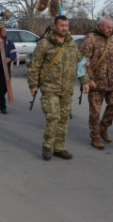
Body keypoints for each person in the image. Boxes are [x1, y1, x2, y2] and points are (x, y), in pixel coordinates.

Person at [27, 15, 90, 160]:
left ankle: (60, 148)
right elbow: (35, 66)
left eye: (66, 26)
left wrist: (84, 82)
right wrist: (33, 85)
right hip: (50, 88)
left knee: (64, 119)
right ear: (54, 26)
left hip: (67, 89)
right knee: (53, 117)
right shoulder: (44, 44)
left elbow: (79, 65)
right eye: (61, 25)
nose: (64, 28)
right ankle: (47, 145)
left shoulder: (72, 45)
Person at [79, 16, 113, 150]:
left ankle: (103, 128)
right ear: (99, 26)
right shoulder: (90, 39)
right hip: (96, 83)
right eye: (107, 27)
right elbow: (83, 61)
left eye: (111, 28)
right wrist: (89, 79)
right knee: (95, 112)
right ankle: (95, 136)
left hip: (111, 82)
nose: (110, 30)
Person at [0, 23, 16, 114]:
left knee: (6, 86)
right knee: (0, 85)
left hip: (6, 66)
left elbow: (14, 52)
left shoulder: (9, 41)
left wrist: (10, 58)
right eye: (2, 31)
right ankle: (3, 106)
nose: (3, 32)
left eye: (4, 31)